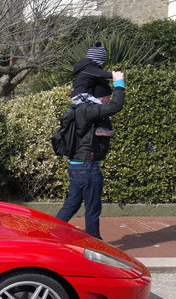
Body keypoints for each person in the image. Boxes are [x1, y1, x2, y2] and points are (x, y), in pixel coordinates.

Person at [56, 72, 125, 239]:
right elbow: (116, 106)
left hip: (78, 166)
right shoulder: (89, 110)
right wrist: (119, 84)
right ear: (100, 97)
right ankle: (95, 244)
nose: (108, 100)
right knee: (93, 209)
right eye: (107, 97)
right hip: (87, 168)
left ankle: (49, 235)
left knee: (71, 205)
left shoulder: (82, 109)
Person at [72, 42, 121, 136]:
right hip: (81, 96)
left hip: (81, 95)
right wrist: (115, 75)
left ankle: (100, 128)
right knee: (100, 108)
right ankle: (99, 129)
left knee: (98, 110)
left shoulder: (86, 68)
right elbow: (102, 74)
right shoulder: (89, 69)